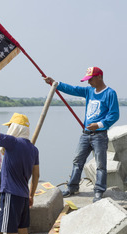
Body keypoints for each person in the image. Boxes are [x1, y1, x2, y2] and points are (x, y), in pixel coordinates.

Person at [44, 67, 120, 202]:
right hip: (85, 134)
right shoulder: (89, 91)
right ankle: (72, 187)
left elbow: (114, 114)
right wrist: (56, 84)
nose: (88, 82)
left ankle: (99, 191)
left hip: (100, 135)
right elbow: (73, 89)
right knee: (77, 161)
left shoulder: (110, 93)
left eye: (90, 79)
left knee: (100, 165)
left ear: (99, 77)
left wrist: (99, 124)